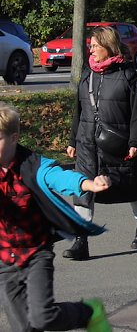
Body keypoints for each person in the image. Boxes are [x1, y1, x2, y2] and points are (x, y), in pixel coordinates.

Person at [0, 102, 113, 332]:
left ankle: (89, 313)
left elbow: (58, 178)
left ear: (13, 138)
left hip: (36, 253)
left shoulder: (32, 166)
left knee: (43, 318)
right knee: (23, 328)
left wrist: (88, 183)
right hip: (5, 259)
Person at [65, 25, 137, 261]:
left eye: (95, 46)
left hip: (118, 143)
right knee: (82, 187)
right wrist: (73, 139)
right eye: (90, 46)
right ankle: (80, 240)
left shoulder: (128, 75)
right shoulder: (87, 73)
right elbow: (79, 110)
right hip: (86, 142)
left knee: (131, 187)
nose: (91, 50)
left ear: (108, 46)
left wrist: (135, 141)